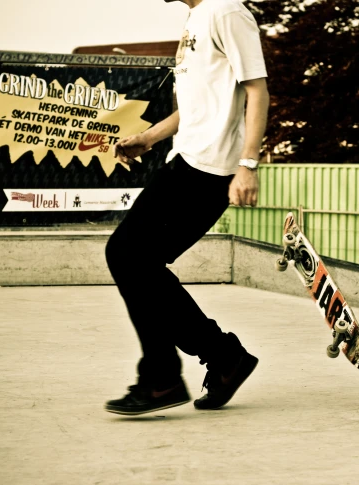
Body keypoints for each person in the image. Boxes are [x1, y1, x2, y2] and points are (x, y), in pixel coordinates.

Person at [104, 0, 269, 416]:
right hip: (186, 159)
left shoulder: (227, 11)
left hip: (210, 170)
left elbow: (257, 91)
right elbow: (198, 106)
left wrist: (247, 166)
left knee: (128, 255)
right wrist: (150, 137)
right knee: (135, 260)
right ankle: (218, 359)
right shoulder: (197, 17)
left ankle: (167, 376)